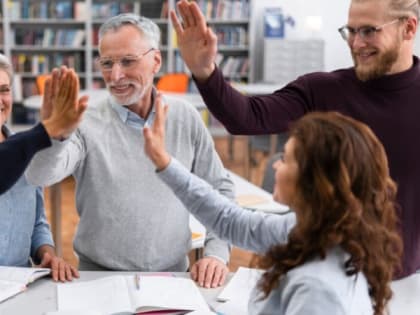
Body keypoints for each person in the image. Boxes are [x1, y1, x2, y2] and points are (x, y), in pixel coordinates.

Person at [171, 0, 420, 278]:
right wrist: (205, 72)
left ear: (408, 28)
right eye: (351, 31)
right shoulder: (323, 90)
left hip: (407, 284)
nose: (357, 43)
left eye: (369, 31)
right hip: (326, 278)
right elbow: (246, 117)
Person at [26, 13, 234, 288]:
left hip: (172, 276)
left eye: (127, 61)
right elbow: (41, 176)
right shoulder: (85, 120)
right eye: (107, 63)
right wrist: (54, 134)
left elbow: (220, 189)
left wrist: (217, 254)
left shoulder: (185, 117)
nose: (116, 76)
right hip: (96, 277)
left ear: (156, 61)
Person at [143, 97, 402, 315]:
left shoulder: (316, 288)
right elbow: (232, 221)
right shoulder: (316, 229)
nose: (276, 165)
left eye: (286, 159)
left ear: (315, 180)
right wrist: (165, 163)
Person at [0, 54, 86, 281]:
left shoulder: (28, 151)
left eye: (4, 90)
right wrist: (46, 130)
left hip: (21, 285)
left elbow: (37, 221)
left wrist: (47, 254)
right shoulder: (25, 146)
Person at [0, 67, 87, 195]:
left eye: (4, 90)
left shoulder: (27, 154)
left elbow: (38, 213)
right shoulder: (23, 149)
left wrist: (52, 134)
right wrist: (49, 128)